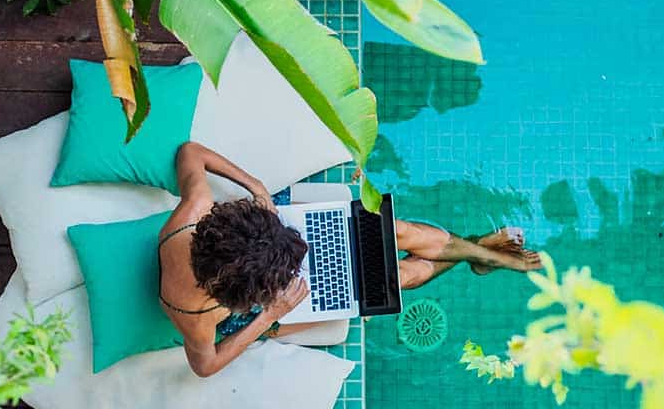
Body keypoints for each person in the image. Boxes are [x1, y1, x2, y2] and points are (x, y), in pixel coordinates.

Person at [159, 142, 542, 378]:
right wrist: (270, 314)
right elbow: (204, 366)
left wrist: (258, 190)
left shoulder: (195, 211)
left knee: (397, 232)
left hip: (261, 246)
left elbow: (190, 152)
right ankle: (481, 254)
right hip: (269, 307)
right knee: (396, 277)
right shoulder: (196, 316)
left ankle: (480, 254)